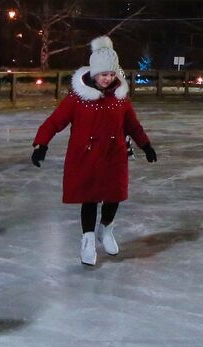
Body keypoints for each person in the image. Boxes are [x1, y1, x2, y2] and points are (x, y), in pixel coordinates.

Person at [31, 36, 156, 266]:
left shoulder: (120, 99)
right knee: (89, 199)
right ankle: (87, 238)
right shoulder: (78, 99)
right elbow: (54, 122)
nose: (107, 79)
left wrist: (145, 145)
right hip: (87, 156)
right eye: (103, 74)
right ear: (93, 73)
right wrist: (42, 144)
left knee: (114, 195)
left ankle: (106, 229)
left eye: (111, 74)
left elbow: (132, 125)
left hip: (114, 155)